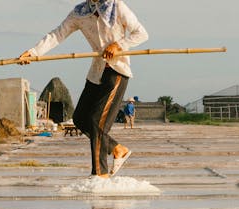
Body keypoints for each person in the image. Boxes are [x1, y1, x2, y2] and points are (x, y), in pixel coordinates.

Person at [18, 0, 147, 177]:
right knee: (80, 118)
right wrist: (33, 52)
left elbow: (141, 33)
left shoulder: (116, 6)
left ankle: (99, 174)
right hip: (97, 72)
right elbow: (57, 34)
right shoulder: (80, 12)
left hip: (116, 71)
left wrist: (118, 45)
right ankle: (118, 149)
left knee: (96, 121)